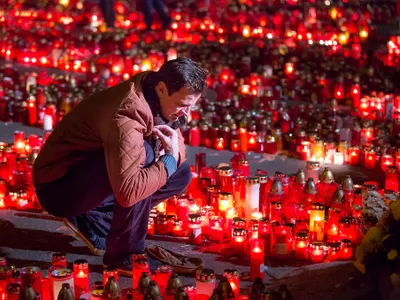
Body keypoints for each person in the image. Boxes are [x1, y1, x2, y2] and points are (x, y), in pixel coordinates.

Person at [33, 57, 208, 274]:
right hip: (60, 186)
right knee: (149, 158)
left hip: (94, 175)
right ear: (162, 89)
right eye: (184, 105)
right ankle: (125, 257)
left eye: (191, 106)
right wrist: (167, 160)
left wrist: (172, 158)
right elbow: (129, 191)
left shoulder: (159, 97)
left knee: (180, 174)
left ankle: (96, 220)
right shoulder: (127, 112)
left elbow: (176, 148)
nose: (187, 113)